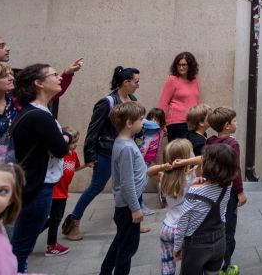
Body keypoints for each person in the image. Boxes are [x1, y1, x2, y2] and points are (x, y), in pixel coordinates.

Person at [62, 66, 140, 241]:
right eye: (136, 82)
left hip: (125, 151)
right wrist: (89, 156)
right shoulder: (107, 102)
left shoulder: (132, 99)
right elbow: (93, 130)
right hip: (106, 153)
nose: (137, 86)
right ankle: (73, 222)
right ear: (126, 82)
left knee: (132, 184)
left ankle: (134, 218)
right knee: (95, 187)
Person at [9, 63, 71, 273]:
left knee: (22, 239)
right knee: (22, 244)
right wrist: (68, 136)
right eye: (54, 75)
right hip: (38, 185)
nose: (59, 77)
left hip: (35, 182)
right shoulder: (38, 115)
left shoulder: (37, 111)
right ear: (38, 83)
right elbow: (61, 148)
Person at [99, 101, 148, 275]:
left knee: (121, 240)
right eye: (140, 119)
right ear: (129, 123)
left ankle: (105, 271)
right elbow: (127, 182)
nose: (143, 122)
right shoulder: (126, 147)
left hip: (128, 203)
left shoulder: (124, 141)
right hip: (129, 205)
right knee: (128, 247)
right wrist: (135, 208)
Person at [0, 35, 82, 105]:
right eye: (1, 46)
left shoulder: (12, 102)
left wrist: (67, 74)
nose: (8, 49)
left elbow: (42, 95)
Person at [174, 143, 236, 274]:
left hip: (196, 246)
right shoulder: (228, 185)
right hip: (220, 240)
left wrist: (177, 247)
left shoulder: (194, 191)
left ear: (208, 165)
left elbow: (183, 222)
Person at [206, 107, 247, 275]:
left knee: (215, 225)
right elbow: (234, 170)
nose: (237, 123)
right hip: (228, 192)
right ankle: (225, 266)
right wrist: (240, 192)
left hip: (211, 191)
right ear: (227, 126)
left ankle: (212, 263)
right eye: (235, 121)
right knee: (228, 227)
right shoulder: (232, 143)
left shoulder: (209, 141)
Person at [148, 139, 197, 275]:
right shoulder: (192, 176)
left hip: (167, 228)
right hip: (186, 229)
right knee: (190, 267)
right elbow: (205, 160)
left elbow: (149, 172)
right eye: (191, 152)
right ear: (186, 158)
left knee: (167, 266)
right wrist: (186, 162)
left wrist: (164, 166)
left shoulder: (164, 177)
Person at [44, 126, 82, 257]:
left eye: (76, 142)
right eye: (72, 143)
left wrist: (87, 165)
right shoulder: (58, 155)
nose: (74, 146)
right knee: (55, 218)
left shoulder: (73, 155)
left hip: (63, 193)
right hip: (55, 192)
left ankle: (31, 234)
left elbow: (74, 169)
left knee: (54, 218)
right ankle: (51, 246)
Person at [159, 52, 201, 140]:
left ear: (190, 65)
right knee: (179, 152)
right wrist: (162, 124)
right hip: (177, 123)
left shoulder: (194, 79)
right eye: (179, 65)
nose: (181, 67)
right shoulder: (172, 80)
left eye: (184, 65)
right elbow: (163, 103)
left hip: (193, 122)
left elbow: (195, 100)